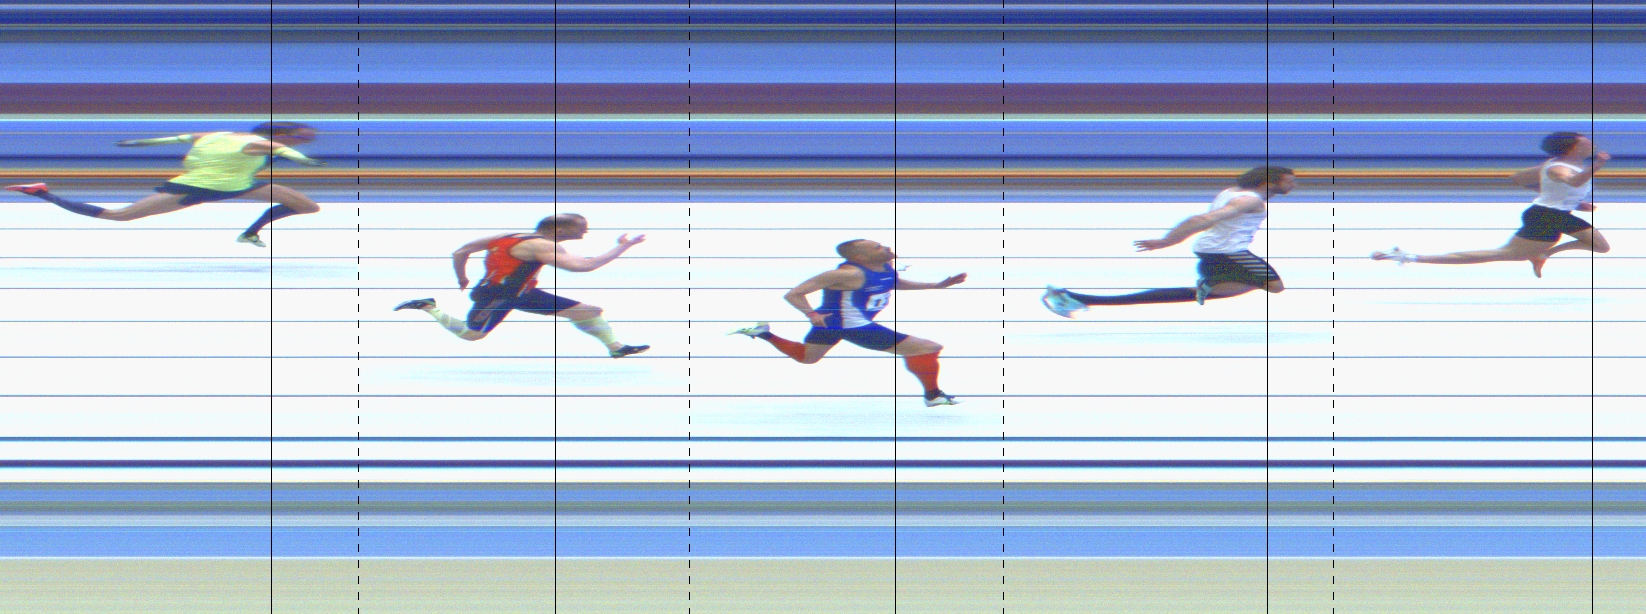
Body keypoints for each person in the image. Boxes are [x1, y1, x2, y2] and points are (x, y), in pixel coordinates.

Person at [5, 121, 325, 247]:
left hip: (239, 184)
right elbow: (284, 150)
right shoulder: (258, 144)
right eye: (298, 136)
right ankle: (42, 193)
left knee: (306, 205)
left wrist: (140, 143)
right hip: (198, 187)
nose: (302, 141)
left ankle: (250, 233)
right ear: (277, 134)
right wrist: (306, 161)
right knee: (120, 216)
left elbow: (177, 138)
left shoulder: (218, 135)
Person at [729, 239, 966, 407]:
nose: (885, 247)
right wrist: (811, 314)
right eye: (877, 247)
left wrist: (936, 285)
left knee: (808, 357)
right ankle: (933, 395)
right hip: (852, 326)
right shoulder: (847, 274)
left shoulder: (886, 266)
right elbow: (793, 294)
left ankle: (764, 333)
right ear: (861, 258)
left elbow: (893, 282)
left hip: (832, 323)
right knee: (928, 348)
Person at [1041, 166, 1296, 317]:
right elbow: (1202, 219)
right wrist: (1167, 241)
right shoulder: (1248, 200)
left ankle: (1075, 297)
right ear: (1268, 182)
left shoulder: (1235, 192)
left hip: (1213, 252)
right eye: (1289, 180)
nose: (1294, 183)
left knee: (1248, 285)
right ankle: (1210, 284)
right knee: (1274, 286)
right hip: (1228, 253)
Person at [393, 213, 650, 358]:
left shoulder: (508, 236)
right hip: (498, 295)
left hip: (523, 292)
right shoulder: (541, 246)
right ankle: (429, 307)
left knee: (590, 311)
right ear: (560, 230)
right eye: (581, 228)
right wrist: (623, 246)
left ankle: (616, 349)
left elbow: (460, 252)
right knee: (472, 335)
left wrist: (462, 278)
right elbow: (584, 266)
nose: (585, 232)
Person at [1371, 131, 1609, 277]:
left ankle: (1542, 253)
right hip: (1546, 216)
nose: (1591, 142)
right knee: (1503, 254)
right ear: (1573, 148)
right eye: (1585, 141)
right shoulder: (1558, 167)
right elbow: (1574, 181)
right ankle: (1409, 256)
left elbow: (1518, 178)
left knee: (1600, 246)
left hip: (1553, 213)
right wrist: (1597, 164)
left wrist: (1572, 201)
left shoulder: (1560, 164)